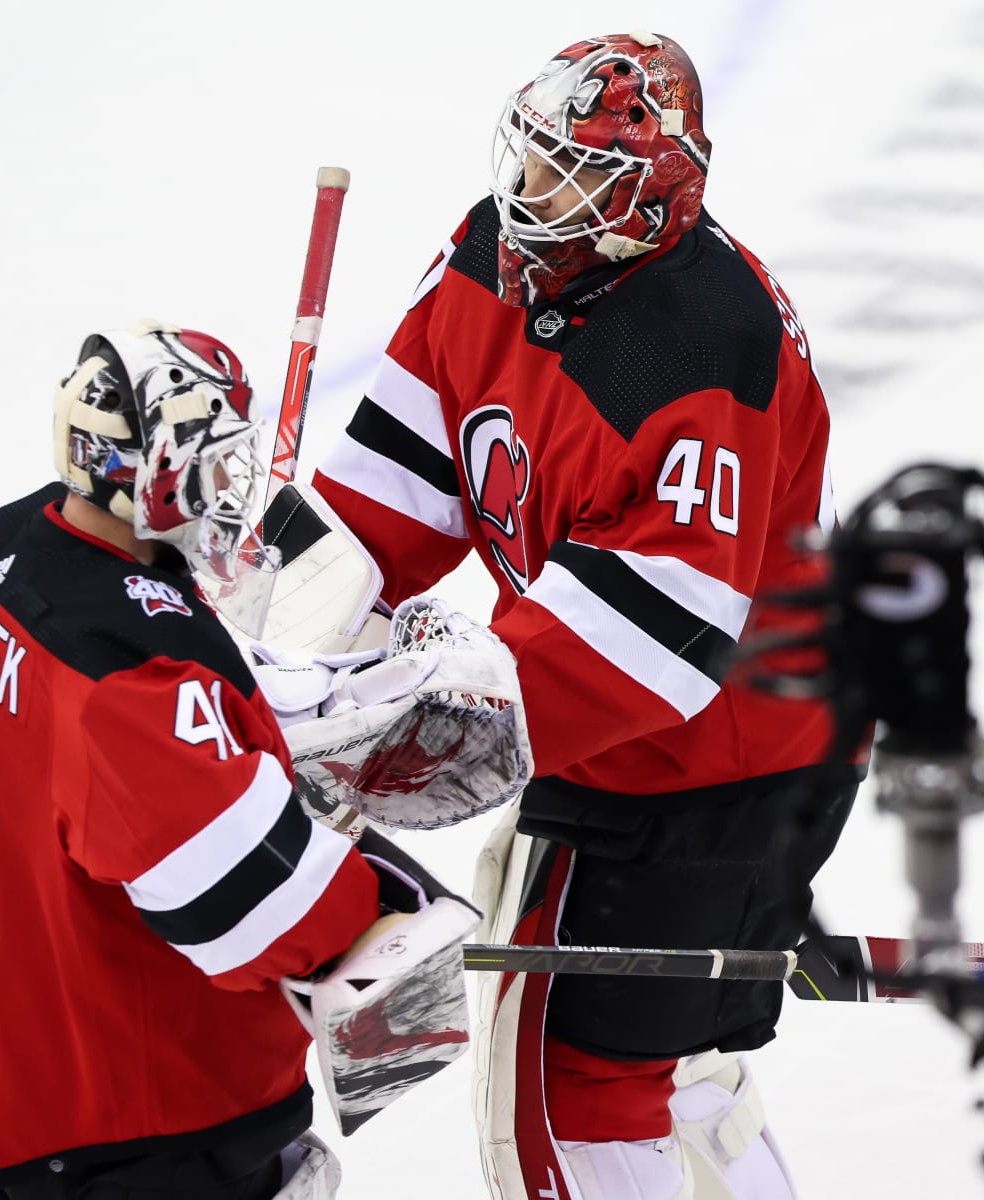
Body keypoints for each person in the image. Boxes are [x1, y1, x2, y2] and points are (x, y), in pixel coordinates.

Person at [301, 31, 854, 1200]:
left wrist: (375, 744)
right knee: (681, 1068)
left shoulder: (707, 352)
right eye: (531, 158)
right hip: (720, 750)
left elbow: (646, 654)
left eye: (568, 173)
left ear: (646, 195)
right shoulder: (495, 248)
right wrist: (284, 630)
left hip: (707, 776)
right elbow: (396, 486)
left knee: (563, 1099)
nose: (529, 192)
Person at [0, 320, 478, 1200]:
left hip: (14, 1045)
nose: (229, 486)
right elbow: (250, 900)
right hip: (133, 1109)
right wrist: (397, 909)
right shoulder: (126, 681)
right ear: (147, 471)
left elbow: (86, 751)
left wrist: (217, 678)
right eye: (210, 462)